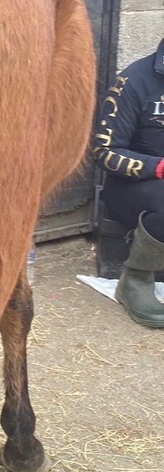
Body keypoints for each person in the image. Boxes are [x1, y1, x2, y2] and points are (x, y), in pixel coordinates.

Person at [94, 39, 164, 328]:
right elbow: (104, 153)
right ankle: (135, 279)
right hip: (132, 188)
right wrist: (157, 167)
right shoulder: (133, 80)